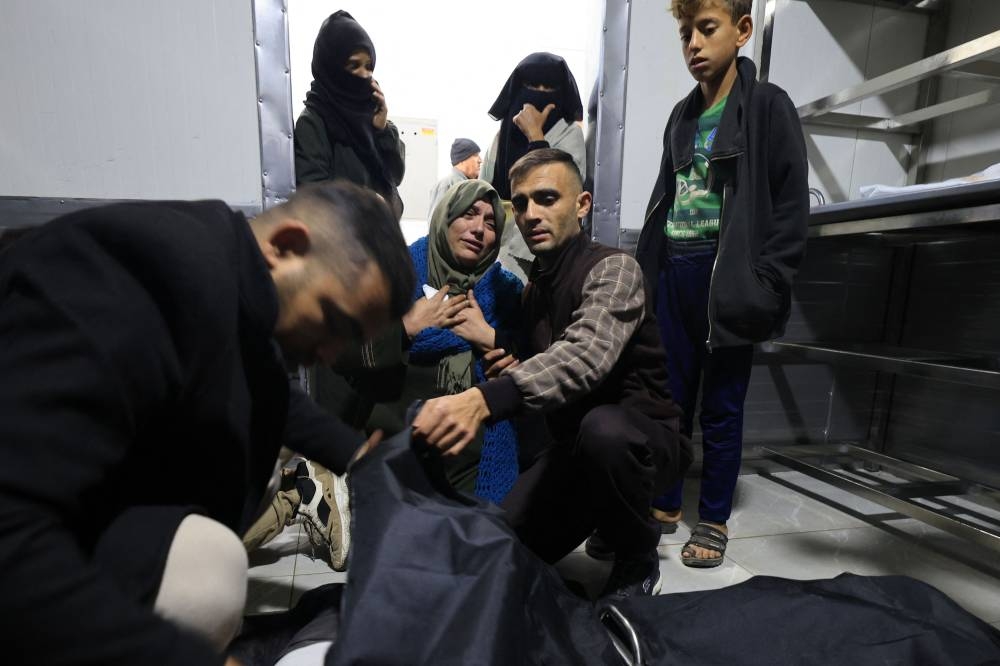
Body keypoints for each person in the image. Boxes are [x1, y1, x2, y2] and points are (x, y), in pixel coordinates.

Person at [0, 181, 415, 665]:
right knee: (207, 577)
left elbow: (263, 388)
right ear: (286, 246)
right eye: (334, 324)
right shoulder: (142, 274)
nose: (329, 354)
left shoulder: (232, 276)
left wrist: (357, 454)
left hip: (85, 498)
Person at [413, 149, 689, 599]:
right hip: (573, 451)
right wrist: (493, 344)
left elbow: (583, 355)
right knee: (496, 553)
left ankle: (637, 551)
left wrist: (482, 400)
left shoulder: (615, 270)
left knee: (604, 430)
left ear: (582, 204)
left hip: (639, 443)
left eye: (546, 198)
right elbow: (544, 361)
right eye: (521, 203)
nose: (530, 215)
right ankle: (606, 517)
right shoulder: (533, 292)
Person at [244, 180, 523, 566]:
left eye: (491, 223)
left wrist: (496, 342)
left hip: (469, 456)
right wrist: (406, 328)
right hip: (391, 442)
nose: (479, 229)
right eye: (469, 214)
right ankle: (306, 494)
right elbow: (341, 356)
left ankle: (316, 493)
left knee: (461, 553)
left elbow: (536, 359)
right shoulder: (398, 275)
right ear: (444, 219)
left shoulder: (506, 292)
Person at [633, 0, 809, 568]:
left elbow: (791, 206)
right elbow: (666, 197)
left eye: (707, 29)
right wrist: (649, 276)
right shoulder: (681, 115)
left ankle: (712, 517)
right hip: (676, 272)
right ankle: (664, 502)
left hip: (728, 276)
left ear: (742, 30)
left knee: (723, 406)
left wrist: (767, 281)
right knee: (668, 400)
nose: (694, 43)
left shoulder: (768, 107)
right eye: (686, 33)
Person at [480, 52, 586, 283]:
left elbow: (565, 188)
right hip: (494, 248)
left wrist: (535, 137)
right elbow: (483, 191)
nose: (539, 93)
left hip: (540, 256)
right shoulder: (502, 137)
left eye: (549, 87)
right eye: (532, 85)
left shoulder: (569, 134)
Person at [294, 10, 406, 220]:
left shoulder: (370, 117)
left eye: (369, 66)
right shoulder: (314, 122)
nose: (364, 75)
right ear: (331, 67)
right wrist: (364, 203)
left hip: (377, 235)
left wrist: (382, 130)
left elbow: (395, 176)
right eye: (354, 65)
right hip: (340, 239)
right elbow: (312, 196)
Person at [427, 138, 482, 217]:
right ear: (462, 160)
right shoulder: (446, 186)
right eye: (475, 155)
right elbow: (436, 221)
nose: (480, 160)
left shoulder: (469, 186)